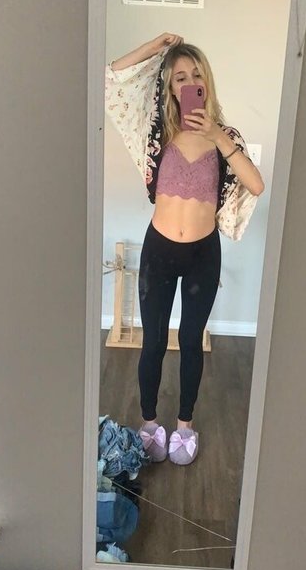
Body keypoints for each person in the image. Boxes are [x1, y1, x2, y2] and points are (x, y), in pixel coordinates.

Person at [106, 33, 265, 465]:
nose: (191, 82)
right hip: (159, 252)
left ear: (206, 82)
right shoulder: (156, 131)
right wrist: (156, 46)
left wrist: (218, 136)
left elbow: (255, 184)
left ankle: (184, 425)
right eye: (180, 77)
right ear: (171, 87)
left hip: (202, 256)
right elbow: (111, 79)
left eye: (197, 75)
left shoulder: (224, 136)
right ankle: (149, 422)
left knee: (192, 340)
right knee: (154, 342)